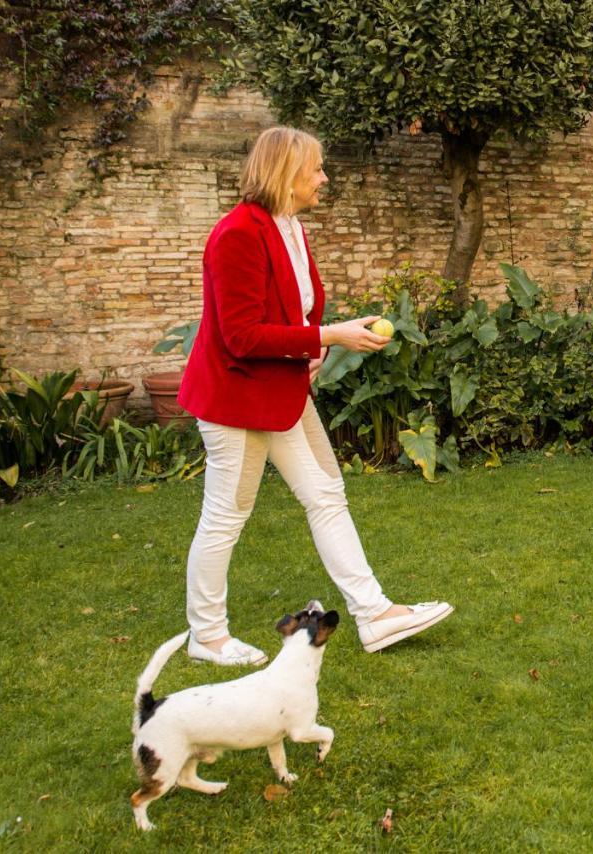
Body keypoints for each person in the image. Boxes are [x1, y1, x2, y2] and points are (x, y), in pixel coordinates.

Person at [177, 126, 453, 664]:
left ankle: (374, 614)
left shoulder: (291, 228)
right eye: (316, 168)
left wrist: (314, 342)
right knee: (225, 517)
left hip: (282, 391)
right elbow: (241, 334)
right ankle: (206, 636)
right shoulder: (237, 234)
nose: (324, 177)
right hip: (237, 401)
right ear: (286, 173)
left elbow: (297, 309)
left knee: (327, 495)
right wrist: (330, 336)